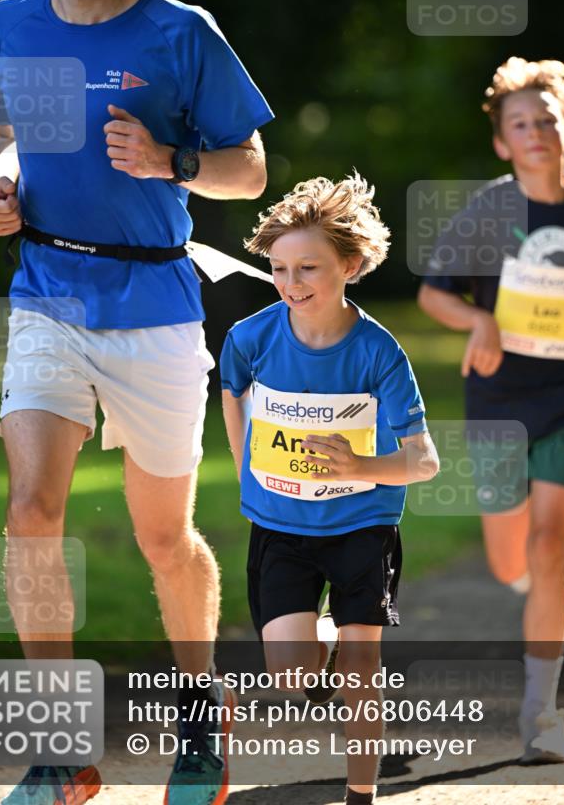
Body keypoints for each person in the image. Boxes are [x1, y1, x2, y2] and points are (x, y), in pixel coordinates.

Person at [0, 0, 273, 805]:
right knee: (29, 514)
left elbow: (249, 169)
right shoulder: (11, 24)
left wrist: (170, 161)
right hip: (46, 294)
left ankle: (200, 725)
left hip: (155, 307)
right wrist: (0, 185)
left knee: (163, 537)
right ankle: (59, 755)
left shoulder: (181, 33)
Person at [220, 174, 439, 805]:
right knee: (292, 676)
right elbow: (231, 392)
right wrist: (245, 468)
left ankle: (360, 795)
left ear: (351, 263)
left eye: (308, 267)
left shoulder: (380, 353)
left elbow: (422, 461)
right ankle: (328, 637)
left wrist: (357, 468)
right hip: (281, 528)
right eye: (280, 269)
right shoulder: (252, 337)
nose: (291, 284)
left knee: (361, 673)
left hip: (361, 530)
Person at [417, 57, 564, 763]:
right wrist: (477, 323)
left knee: (550, 544)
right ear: (501, 141)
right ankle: (521, 576)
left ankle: (539, 714)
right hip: (497, 400)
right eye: (518, 123)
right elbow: (434, 292)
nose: (534, 132)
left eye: (546, 119)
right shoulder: (488, 210)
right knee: (507, 558)